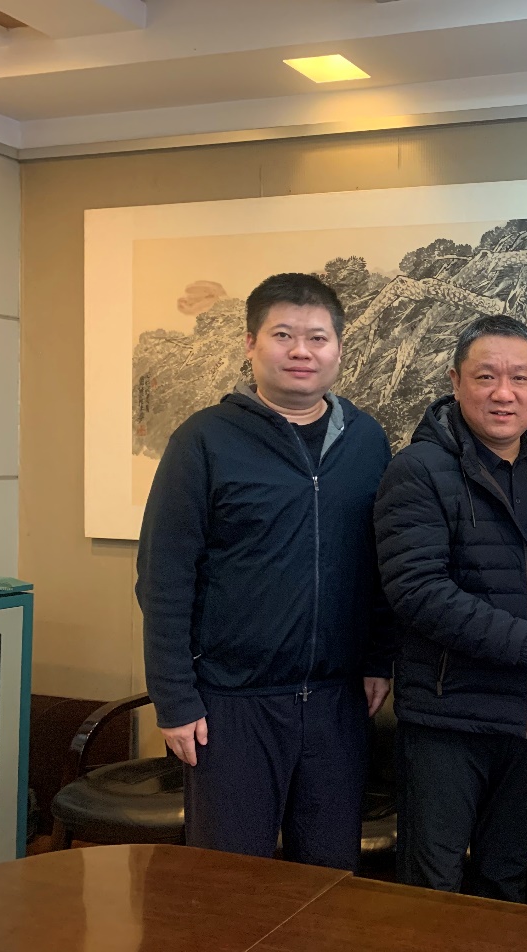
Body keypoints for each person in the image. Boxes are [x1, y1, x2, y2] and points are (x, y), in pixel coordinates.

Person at [138, 272, 395, 871]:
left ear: (338, 348)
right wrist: (174, 700)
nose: (302, 351)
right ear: (251, 344)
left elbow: (380, 563)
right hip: (232, 705)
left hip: (337, 702)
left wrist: (379, 658)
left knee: (328, 879)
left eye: (317, 338)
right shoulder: (204, 440)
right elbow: (163, 580)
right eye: (283, 335)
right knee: (229, 884)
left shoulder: (367, 441)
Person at [373, 315, 527, 902]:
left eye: (520, 378)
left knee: (504, 880)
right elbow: (417, 591)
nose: (503, 393)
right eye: (486, 376)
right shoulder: (418, 469)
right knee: (431, 891)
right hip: (447, 721)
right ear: (455, 381)